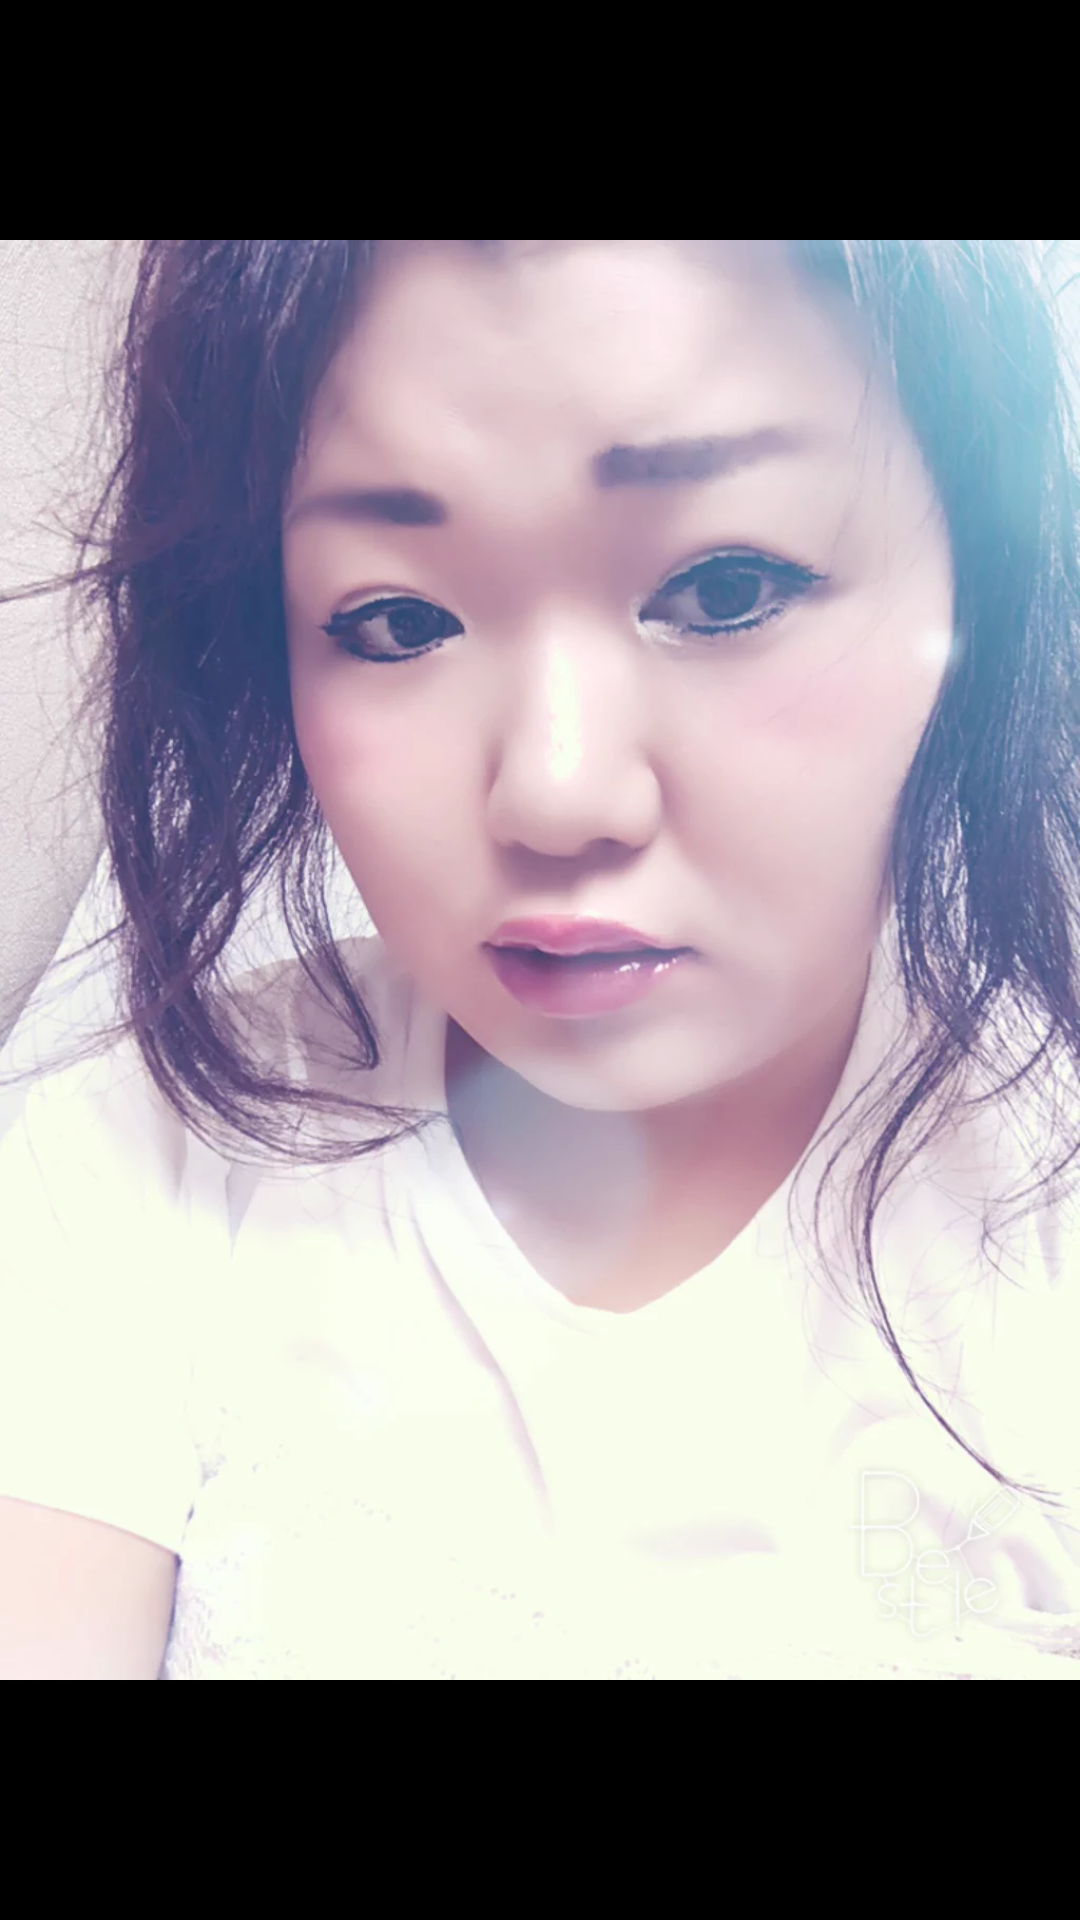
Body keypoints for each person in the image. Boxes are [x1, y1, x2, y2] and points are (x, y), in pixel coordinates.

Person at [2, 239, 1080, 1680]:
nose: (559, 794)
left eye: (727, 589)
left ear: (978, 596)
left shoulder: (1039, 1209)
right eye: (397, 621)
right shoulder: (139, 1154)